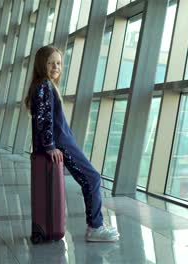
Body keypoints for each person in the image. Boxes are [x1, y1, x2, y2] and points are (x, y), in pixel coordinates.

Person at [24, 45, 119, 242]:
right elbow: (43, 119)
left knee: (89, 179)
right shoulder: (44, 86)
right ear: (42, 64)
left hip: (62, 142)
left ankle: (96, 223)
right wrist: (50, 146)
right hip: (61, 144)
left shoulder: (46, 85)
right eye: (51, 63)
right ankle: (95, 227)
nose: (55, 67)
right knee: (92, 178)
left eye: (58, 63)